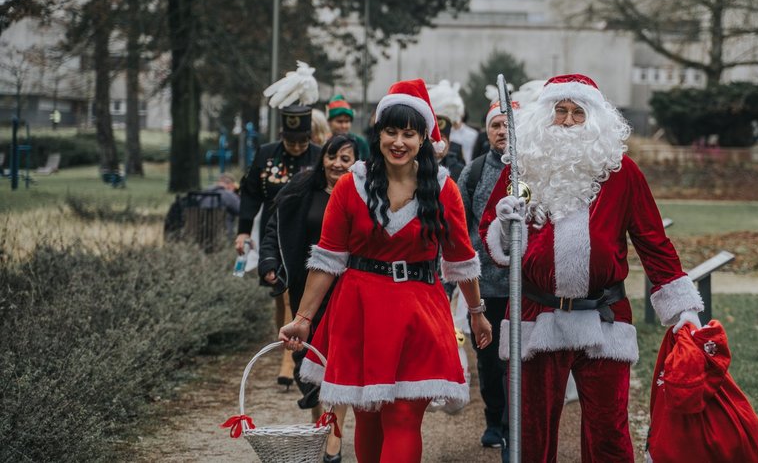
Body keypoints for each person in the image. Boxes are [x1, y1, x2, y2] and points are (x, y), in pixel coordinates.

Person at [479, 74, 703, 462]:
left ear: (595, 121)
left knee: (610, 433)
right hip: (537, 315)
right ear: (544, 118)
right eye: (559, 112)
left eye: (577, 113)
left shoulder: (622, 172)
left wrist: (682, 308)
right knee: (531, 433)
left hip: (604, 317)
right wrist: (505, 222)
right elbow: (491, 234)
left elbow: (653, 241)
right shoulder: (521, 169)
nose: (566, 121)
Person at [279, 79, 493, 463]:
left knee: (404, 417)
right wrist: (302, 318)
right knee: (368, 418)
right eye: (390, 131)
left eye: (409, 134)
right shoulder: (350, 186)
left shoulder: (443, 190)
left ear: (424, 137)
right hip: (360, 308)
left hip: (419, 310)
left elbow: (461, 260)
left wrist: (476, 314)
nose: (399, 141)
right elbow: (327, 259)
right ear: (377, 134)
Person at [258, 134, 358, 463]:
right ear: (323, 158)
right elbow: (275, 226)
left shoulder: (363, 193)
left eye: (346, 158)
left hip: (346, 290)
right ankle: (322, 423)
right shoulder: (302, 187)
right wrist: (270, 261)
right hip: (306, 289)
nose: (337, 164)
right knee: (306, 367)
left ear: (357, 162)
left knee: (337, 363)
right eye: (332, 157)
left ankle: (333, 442)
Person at [236, 63, 321, 389]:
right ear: (282, 135)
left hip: (310, 236)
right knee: (281, 294)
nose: (298, 147)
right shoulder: (266, 155)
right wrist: (244, 230)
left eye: (303, 141)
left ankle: (292, 358)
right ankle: (288, 344)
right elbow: (250, 193)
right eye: (292, 141)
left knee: (296, 296)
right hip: (275, 235)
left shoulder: (317, 156)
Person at [456, 100, 513, 451]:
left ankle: (516, 422)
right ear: (487, 131)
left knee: (521, 360)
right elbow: (458, 227)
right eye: (496, 126)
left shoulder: (535, 171)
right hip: (486, 286)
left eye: (508, 125)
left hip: (527, 288)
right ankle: (495, 420)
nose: (503, 131)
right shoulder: (474, 172)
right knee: (490, 360)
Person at [326, 94, 370, 160]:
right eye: (339, 121)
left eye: (347, 121)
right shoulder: (324, 141)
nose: (344, 126)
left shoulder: (360, 142)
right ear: (329, 122)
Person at [200, 173, 241, 237]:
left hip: (201, 235)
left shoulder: (203, 193)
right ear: (231, 185)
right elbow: (242, 210)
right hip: (223, 236)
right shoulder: (228, 195)